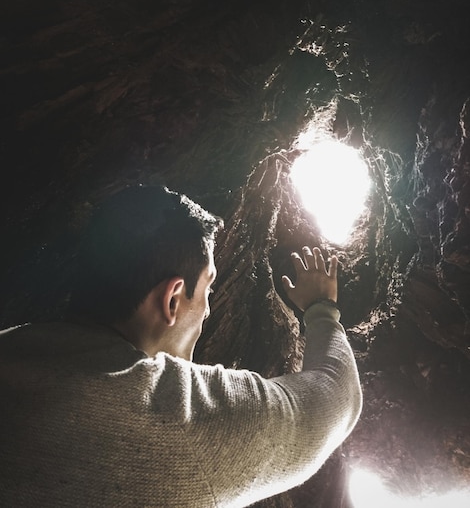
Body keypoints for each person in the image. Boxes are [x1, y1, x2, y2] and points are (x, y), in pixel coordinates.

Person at [0, 184, 362, 507]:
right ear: (172, 298)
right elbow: (332, 402)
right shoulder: (177, 417)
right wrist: (322, 311)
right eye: (207, 289)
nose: (206, 309)